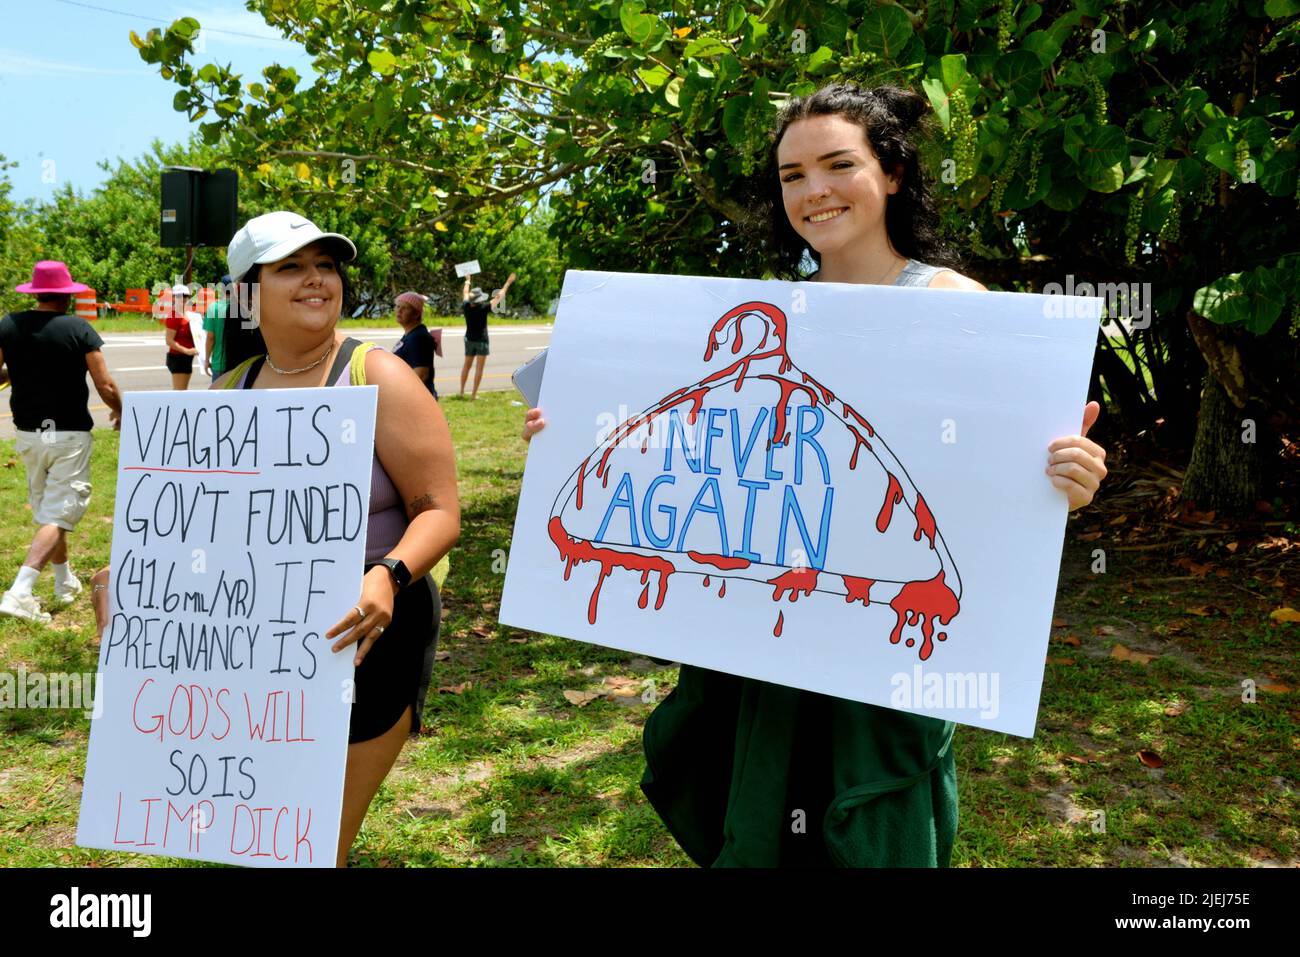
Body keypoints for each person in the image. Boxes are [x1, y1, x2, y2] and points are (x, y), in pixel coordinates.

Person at [521, 84, 1109, 867]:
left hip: (880, 656)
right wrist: (567, 438)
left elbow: (980, 489)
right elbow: (706, 460)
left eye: (838, 165)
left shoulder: (953, 301)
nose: (813, 190)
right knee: (767, 818)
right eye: (792, 175)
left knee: (870, 825)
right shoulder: (770, 311)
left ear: (893, 172)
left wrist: (1065, 478)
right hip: (762, 636)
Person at [216, 210, 460, 866]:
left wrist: (388, 574)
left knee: (316, 844)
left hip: (373, 636)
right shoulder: (226, 391)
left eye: (325, 264)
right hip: (263, 647)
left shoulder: (374, 373)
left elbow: (439, 509)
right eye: (291, 267)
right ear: (245, 292)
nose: (317, 279)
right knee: (271, 839)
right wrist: (123, 582)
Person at [0, 260, 122, 624]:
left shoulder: (8, 325)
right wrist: (122, 411)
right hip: (67, 433)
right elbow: (105, 385)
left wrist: (21, 369)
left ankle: (63, 581)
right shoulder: (79, 329)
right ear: (67, 296)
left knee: (47, 510)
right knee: (60, 511)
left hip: (29, 433)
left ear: (36, 293)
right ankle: (20, 591)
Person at [459, 270, 515, 399]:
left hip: (469, 339)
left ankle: (461, 392)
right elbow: (499, 296)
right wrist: (508, 283)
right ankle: (473, 395)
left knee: (466, 366)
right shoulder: (484, 308)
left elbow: (465, 292)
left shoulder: (466, 306)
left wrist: (467, 279)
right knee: (479, 369)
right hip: (482, 341)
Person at [393, 290, 439, 399]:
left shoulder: (419, 337)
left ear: (416, 314)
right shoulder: (411, 335)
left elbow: (421, 374)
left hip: (416, 399)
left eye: (405, 308)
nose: (399, 311)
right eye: (397, 306)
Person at [163, 283, 199, 389]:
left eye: (185, 296)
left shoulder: (189, 314)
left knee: (183, 390)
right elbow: (169, 341)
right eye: (179, 296)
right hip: (178, 357)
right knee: (179, 392)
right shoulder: (174, 316)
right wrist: (186, 351)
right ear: (174, 297)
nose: (182, 298)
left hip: (186, 358)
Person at [202, 274, 232, 379]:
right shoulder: (244, 308)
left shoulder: (213, 308)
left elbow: (210, 338)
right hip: (239, 363)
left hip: (219, 363)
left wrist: (206, 360)